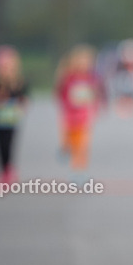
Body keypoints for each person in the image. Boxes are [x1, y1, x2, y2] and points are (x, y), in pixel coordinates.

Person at [55, 45, 104, 179]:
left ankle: (78, 171)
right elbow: (61, 95)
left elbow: (96, 95)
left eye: (87, 62)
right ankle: (64, 148)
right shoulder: (68, 78)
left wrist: (97, 108)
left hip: (85, 117)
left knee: (82, 146)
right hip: (69, 117)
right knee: (69, 142)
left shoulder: (92, 79)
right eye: (82, 61)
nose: (85, 65)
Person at [0, 45, 28, 184]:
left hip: (12, 119)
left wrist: (21, 104)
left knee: (9, 144)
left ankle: (9, 169)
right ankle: (1, 171)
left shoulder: (18, 82)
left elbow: (24, 97)